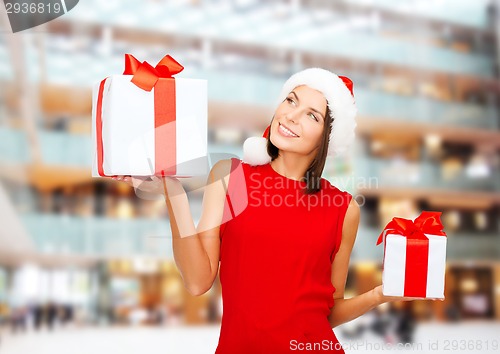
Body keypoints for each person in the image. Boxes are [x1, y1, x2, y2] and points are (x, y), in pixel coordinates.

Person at [115, 68, 423, 353]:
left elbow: (327, 313)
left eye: (311, 115)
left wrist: (378, 296)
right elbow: (197, 281)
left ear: (326, 138)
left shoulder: (342, 209)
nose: (291, 115)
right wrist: (173, 192)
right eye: (291, 100)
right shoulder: (229, 177)